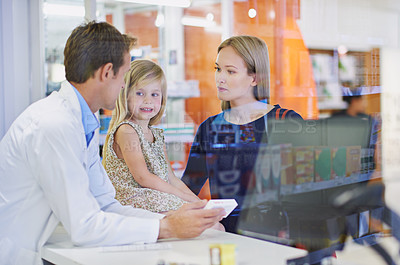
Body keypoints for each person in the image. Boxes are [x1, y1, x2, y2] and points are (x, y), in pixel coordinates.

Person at [0, 21, 224, 265]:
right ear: (107, 72)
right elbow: (84, 226)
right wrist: (167, 228)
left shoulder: (82, 122)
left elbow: (105, 204)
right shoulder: (54, 125)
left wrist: (168, 221)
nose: (123, 86)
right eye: (124, 76)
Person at [182, 35, 302, 233]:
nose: (220, 77)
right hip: (226, 240)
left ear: (255, 78)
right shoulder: (209, 128)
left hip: (277, 242)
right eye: (218, 69)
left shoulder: (286, 122)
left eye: (230, 71)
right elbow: (187, 188)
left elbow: (308, 192)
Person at [102, 59, 200, 213]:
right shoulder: (126, 130)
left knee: (208, 219)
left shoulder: (156, 134)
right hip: (133, 200)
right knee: (207, 224)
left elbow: (171, 178)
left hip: (154, 197)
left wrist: (195, 199)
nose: (148, 100)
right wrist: (182, 197)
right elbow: (143, 177)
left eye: (155, 94)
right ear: (125, 95)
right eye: (140, 93)